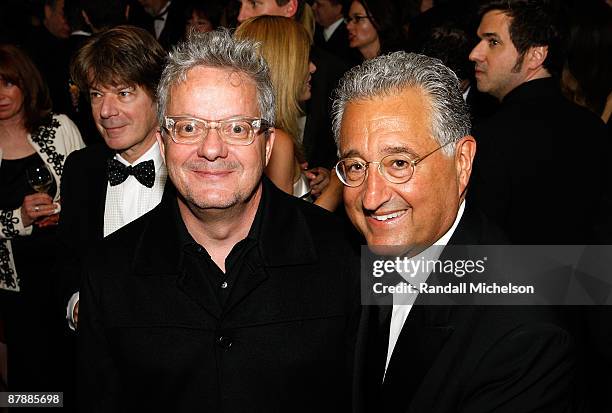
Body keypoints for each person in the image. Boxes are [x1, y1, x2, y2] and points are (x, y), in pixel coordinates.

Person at [77, 28, 359, 412]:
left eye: (237, 128)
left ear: (268, 144)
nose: (211, 149)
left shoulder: (344, 253)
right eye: (189, 127)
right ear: (163, 142)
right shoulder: (108, 271)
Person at [332, 51, 577, 412]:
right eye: (355, 166)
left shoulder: (523, 335)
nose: (371, 197)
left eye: (399, 164)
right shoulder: (357, 261)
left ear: (461, 163)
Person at [467, 0, 609, 245]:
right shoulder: (593, 127)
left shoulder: (492, 137)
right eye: (479, 40)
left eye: (493, 42)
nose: (474, 54)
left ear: (536, 55)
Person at [59, 25, 168, 331]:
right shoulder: (81, 169)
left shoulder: (191, 169)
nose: (106, 111)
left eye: (123, 93)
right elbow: (68, 258)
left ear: (158, 94)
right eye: (96, 94)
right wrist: (76, 303)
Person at [0, 44, 84, 391]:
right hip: (15, 286)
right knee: (30, 383)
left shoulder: (59, 127)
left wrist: (61, 209)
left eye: (7, 83)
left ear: (25, 83)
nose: (0, 95)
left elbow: (89, 194)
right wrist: (18, 217)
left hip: (67, 273)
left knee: (74, 371)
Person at [235, 16, 316, 198]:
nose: (312, 68)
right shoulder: (276, 141)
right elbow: (283, 225)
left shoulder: (253, 131)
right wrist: (336, 188)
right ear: (284, 68)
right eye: (305, 59)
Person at [313, 0, 359, 65]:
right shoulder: (314, 31)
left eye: (319, 4)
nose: (313, 7)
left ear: (338, 8)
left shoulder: (350, 38)